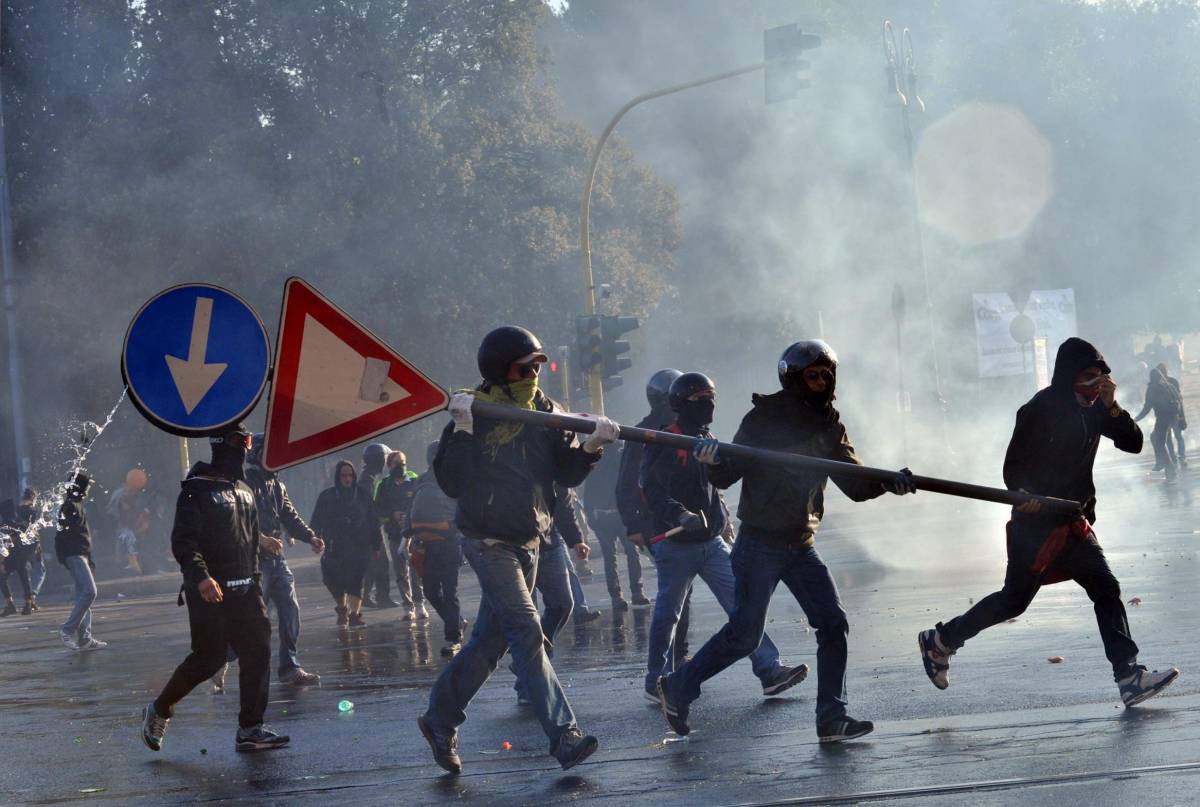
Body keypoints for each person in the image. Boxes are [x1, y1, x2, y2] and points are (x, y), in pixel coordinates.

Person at [656, 341, 916, 743]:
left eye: (826, 375)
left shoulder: (829, 425)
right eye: (812, 375)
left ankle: (832, 718)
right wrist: (712, 463)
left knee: (833, 623)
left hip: (800, 542)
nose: (821, 382)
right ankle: (677, 687)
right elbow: (728, 473)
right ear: (793, 378)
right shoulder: (764, 418)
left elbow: (855, 483)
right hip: (760, 542)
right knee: (745, 634)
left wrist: (889, 482)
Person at [920, 338, 1179, 706]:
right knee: (1013, 602)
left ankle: (1129, 675)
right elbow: (1013, 468)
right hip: (1036, 527)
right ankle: (942, 640)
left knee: (1106, 588)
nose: (1094, 387)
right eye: (1088, 379)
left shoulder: (1097, 408)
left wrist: (1114, 407)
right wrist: (1024, 494)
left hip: (1073, 519)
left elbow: (1133, 443)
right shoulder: (1039, 409)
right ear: (1069, 376)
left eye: (1100, 379)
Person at [418, 325, 618, 774]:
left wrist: (590, 447)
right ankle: (564, 736)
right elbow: (452, 480)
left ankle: (439, 719)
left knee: (490, 645)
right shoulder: (473, 410)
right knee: (527, 631)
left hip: (531, 538)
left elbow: (564, 476)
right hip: (487, 539)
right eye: (524, 367)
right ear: (498, 371)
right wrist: (466, 429)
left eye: (538, 365)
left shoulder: (546, 412)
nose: (534, 374)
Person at [642, 371, 808, 704]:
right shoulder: (666, 440)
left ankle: (769, 670)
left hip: (712, 542)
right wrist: (680, 516)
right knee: (668, 614)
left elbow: (713, 488)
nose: (708, 404)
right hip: (676, 545)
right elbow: (652, 489)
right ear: (679, 403)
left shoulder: (707, 439)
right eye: (699, 399)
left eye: (710, 397)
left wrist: (724, 521)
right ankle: (655, 680)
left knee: (744, 607)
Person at [141, 425, 288, 754]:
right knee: (209, 658)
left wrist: (262, 546)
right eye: (241, 443)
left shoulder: (245, 489)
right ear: (223, 446)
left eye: (247, 443)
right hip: (209, 590)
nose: (245, 450)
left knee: (258, 649)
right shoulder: (197, 491)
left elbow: (248, 535)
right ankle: (160, 708)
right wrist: (202, 577)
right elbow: (183, 542)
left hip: (246, 587)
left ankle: (251, 728)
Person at [619, 368, 691, 664]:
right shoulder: (642, 432)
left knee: (681, 592)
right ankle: (671, 658)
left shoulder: (688, 427)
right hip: (657, 522)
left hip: (687, 520)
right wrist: (633, 524)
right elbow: (627, 481)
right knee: (675, 593)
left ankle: (676, 654)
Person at [239, 434, 324, 686]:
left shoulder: (277, 485)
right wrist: (260, 538)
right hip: (254, 561)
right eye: (269, 453)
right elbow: (238, 521)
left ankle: (289, 666)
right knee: (251, 618)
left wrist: (310, 537)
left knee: (290, 610)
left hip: (277, 559)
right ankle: (221, 658)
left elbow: (289, 515)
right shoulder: (243, 484)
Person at [513, 484, 591, 704]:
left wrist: (576, 539)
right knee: (527, 619)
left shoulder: (552, 455)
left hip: (549, 540)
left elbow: (563, 501)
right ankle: (528, 685)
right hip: (514, 542)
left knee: (563, 604)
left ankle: (529, 662)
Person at [312, 460, 385, 628]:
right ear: (338, 476)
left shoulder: (363, 495)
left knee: (356, 580)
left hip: (360, 546)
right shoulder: (327, 496)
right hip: (334, 546)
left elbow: (373, 521)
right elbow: (316, 521)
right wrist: (314, 539)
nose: (347, 478)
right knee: (332, 581)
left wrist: (376, 545)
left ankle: (354, 615)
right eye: (343, 475)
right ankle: (342, 608)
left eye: (350, 475)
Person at [408, 441, 465, 656]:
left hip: (450, 543)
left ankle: (453, 638)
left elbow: (462, 508)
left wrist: (457, 530)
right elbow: (411, 507)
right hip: (427, 545)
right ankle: (457, 622)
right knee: (431, 591)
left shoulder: (455, 479)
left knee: (450, 592)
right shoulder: (421, 480)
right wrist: (409, 534)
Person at [585, 448, 647, 612]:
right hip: (614, 515)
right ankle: (632, 593)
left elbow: (588, 493)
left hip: (611, 515)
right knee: (628, 553)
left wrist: (591, 516)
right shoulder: (620, 459)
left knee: (613, 555)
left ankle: (621, 595)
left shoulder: (598, 461)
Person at [55, 472, 106, 651]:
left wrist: (88, 558)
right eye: (87, 486)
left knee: (82, 596)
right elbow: (61, 534)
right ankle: (67, 631)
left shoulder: (76, 504)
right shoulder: (69, 506)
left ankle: (85, 639)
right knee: (90, 593)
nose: (89, 489)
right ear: (80, 487)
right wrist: (64, 557)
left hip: (80, 555)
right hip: (74, 555)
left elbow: (82, 535)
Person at [375, 450, 427, 621]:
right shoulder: (383, 486)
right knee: (400, 571)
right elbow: (378, 509)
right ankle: (408, 607)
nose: (402, 466)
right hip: (394, 534)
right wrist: (392, 515)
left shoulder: (414, 481)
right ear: (389, 466)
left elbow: (421, 503)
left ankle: (420, 605)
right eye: (397, 463)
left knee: (416, 570)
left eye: (403, 462)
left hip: (413, 534)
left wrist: (408, 515)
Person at [1135, 364, 1184, 480]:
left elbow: (1147, 408)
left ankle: (1169, 469)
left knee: (1158, 441)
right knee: (1155, 438)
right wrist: (1181, 417)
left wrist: (1136, 419)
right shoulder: (1169, 386)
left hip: (1163, 418)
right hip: (1173, 417)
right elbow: (1179, 401)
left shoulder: (1152, 388)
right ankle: (1162, 463)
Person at [1157, 362, 1187, 468]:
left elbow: (1179, 399)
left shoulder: (1172, 382)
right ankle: (1174, 458)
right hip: (1166, 417)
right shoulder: (1157, 385)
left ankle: (1181, 457)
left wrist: (1182, 415)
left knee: (1177, 436)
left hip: (1173, 416)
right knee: (1169, 439)